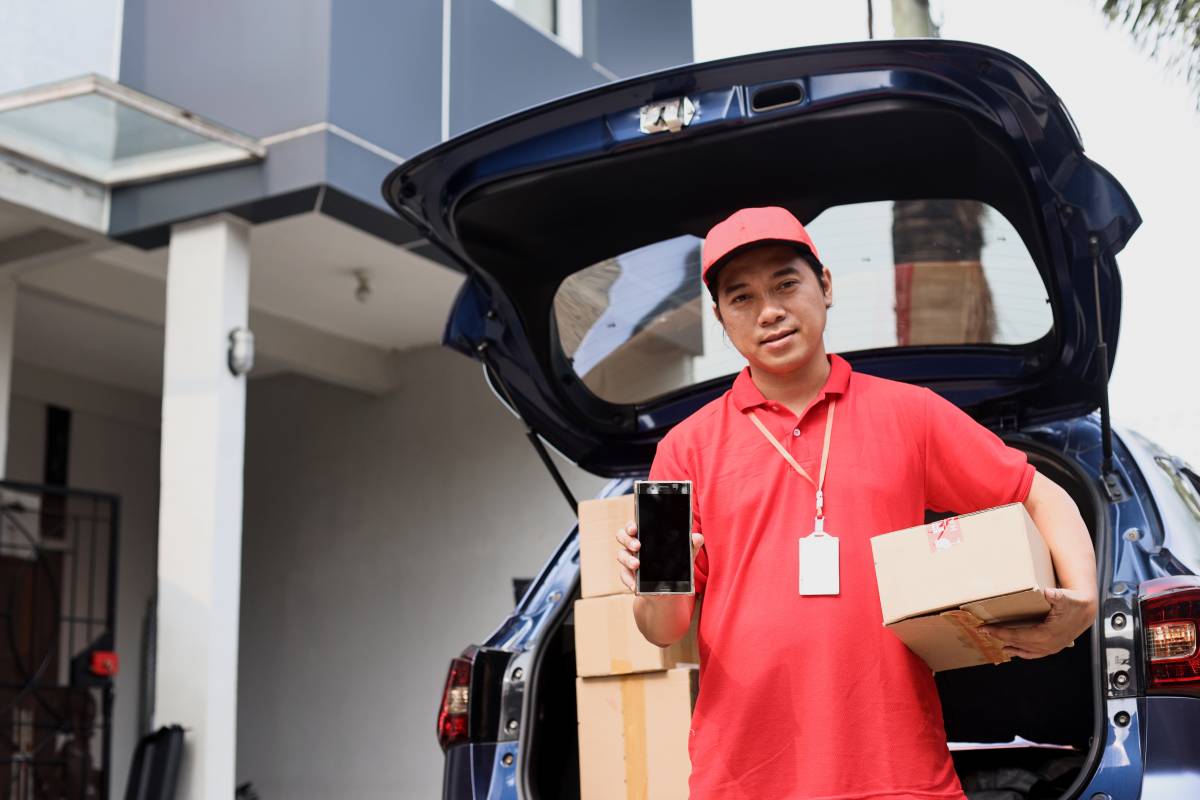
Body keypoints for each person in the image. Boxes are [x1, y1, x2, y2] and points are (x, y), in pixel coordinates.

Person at [613, 206, 1098, 800]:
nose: (769, 310)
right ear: (721, 318)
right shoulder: (683, 449)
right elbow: (665, 631)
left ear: (826, 285)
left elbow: (1037, 492)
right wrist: (652, 587)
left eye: (786, 283)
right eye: (741, 298)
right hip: (744, 778)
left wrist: (1083, 601)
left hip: (896, 773)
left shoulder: (908, 413)